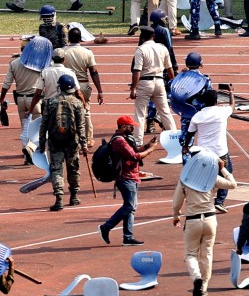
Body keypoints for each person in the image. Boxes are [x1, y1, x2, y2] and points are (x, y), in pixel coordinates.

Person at [171, 149, 237, 296]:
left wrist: (176, 216)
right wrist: (223, 169)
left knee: (191, 254)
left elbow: (176, 202)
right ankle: (204, 287)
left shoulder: (185, 178)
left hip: (192, 220)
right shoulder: (211, 177)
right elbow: (233, 184)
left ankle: (197, 278)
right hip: (210, 219)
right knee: (207, 254)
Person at [98, 116, 159, 246]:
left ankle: (128, 237)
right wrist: (151, 150)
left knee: (130, 208)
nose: (133, 129)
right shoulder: (119, 141)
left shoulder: (124, 138)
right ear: (123, 127)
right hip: (125, 177)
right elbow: (134, 156)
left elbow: (134, 151)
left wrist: (147, 145)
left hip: (131, 176)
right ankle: (106, 227)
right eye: (131, 126)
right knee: (129, 206)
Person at [183, 82, 235, 213]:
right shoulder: (222, 112)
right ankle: (220, 201)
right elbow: (232, 106)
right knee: (226, 173)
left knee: (203, 177)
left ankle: (201, 201)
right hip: (220, 151)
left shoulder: (197, 116)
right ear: (217, 101)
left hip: (203, 153)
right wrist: (231, 92)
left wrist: (186, 146)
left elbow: (189, 134)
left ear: (203, 102)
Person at [38, 74, 87, 211]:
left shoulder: (50, 102)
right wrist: (84, 145)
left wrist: (42, 143)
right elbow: (81, 126)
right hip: (72, 142)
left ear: (59, 86)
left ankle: (59, 198)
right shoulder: (77, 103)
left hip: (55, 141)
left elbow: (44, 124)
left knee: (56, 169)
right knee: (73, 169)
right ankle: (74, 196)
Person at [1, 38, 49, 163]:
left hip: (21, 99)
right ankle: (31, 148)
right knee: (38, 127)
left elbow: (6, 84)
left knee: (25, 127)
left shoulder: (14, 63)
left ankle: (27, 155)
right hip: (35, 99)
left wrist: (1, 99)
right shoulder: (38, 63)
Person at [129, 26, 177, 142]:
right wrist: (173, 83)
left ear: (142, 37)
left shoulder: (140, 49)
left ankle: (138, 141)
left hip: (145, 82)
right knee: (165, 112)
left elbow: (137, 70)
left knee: (140, 113)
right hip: (160, 81)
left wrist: (133, 88)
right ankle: (175, 138)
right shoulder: (162, 48)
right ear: (153, 36)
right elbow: (169, 68)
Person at [63, 26, 103, 146]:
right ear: (80, 38)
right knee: (86, 112)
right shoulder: (87, 52)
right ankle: (88, 139)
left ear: (68, 38)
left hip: (68, 85)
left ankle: (70, 139)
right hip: (83, 84)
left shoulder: (63, 51)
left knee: (68, 112)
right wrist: (100, 91)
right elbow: (94, 72)